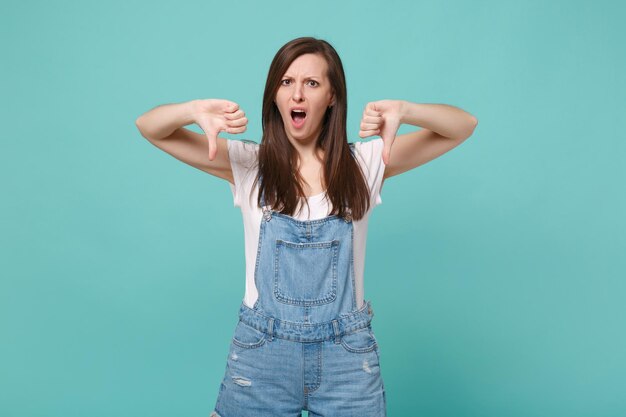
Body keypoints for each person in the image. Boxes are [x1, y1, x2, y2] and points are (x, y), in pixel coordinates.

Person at [135, 36, 477, 417]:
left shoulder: (365, 164)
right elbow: (149, 127)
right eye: (286, 83)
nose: (297, 94)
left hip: (346, 360)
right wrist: (193, 109)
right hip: (261, 358)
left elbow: (463, 126)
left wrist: (405, 110)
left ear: (332, 96)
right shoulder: (249, 164)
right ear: (275, 97)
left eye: (311, 84)